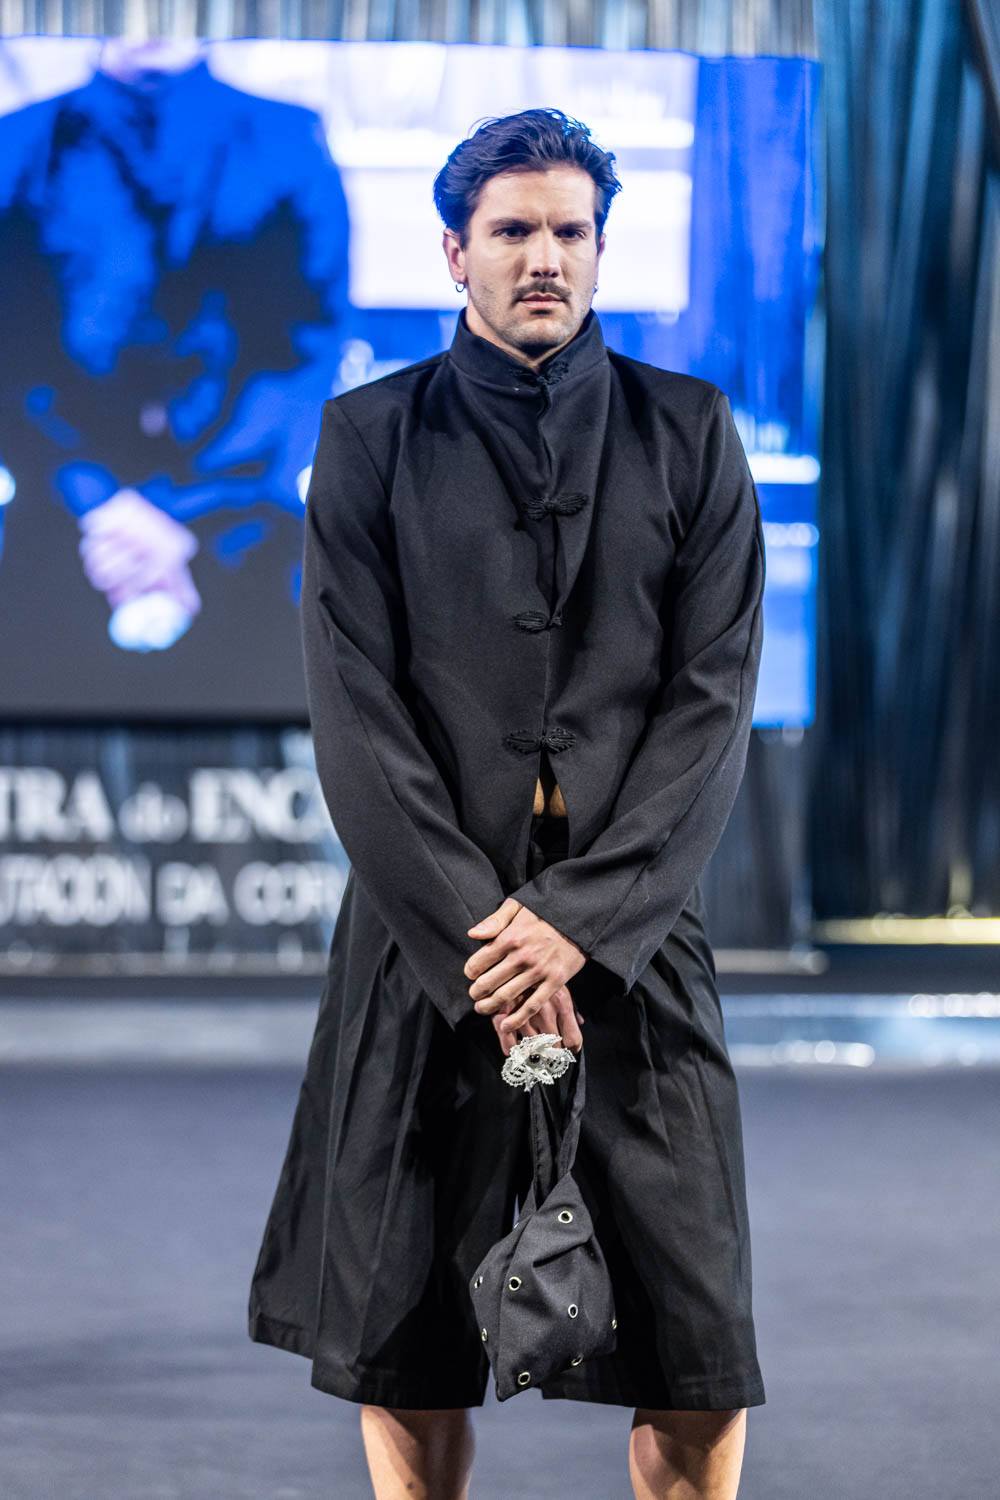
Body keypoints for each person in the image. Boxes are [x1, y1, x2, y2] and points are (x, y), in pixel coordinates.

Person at [249, 107, 766, 1500]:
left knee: (695, 1346)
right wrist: (493, 940)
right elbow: (356, 713)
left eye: (570, 231)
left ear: (600, 247)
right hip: (430, 950)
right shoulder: (369, 437)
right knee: (403, 1343)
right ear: (453, 251)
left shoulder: (690, 430)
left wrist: (581, 924)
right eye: (514, 230)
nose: (546, 257)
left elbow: (712, 706)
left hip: (635, 951)